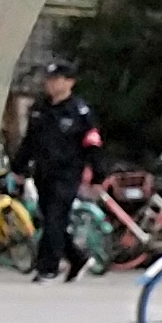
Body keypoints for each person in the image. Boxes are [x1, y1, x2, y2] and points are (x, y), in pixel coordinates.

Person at [14, 62, 103, 280]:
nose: (50, 84)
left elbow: (93, 144)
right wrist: (18, 168)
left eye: (56, 80)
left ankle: (48, 268)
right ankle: (77, 257)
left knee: (55, 218)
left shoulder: (80, 112)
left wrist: (99, 176)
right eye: (49, 79)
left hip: (67, 173)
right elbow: (29, 141)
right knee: (52, 221)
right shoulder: (39, 108)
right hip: (42, 173)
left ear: (69, 82)